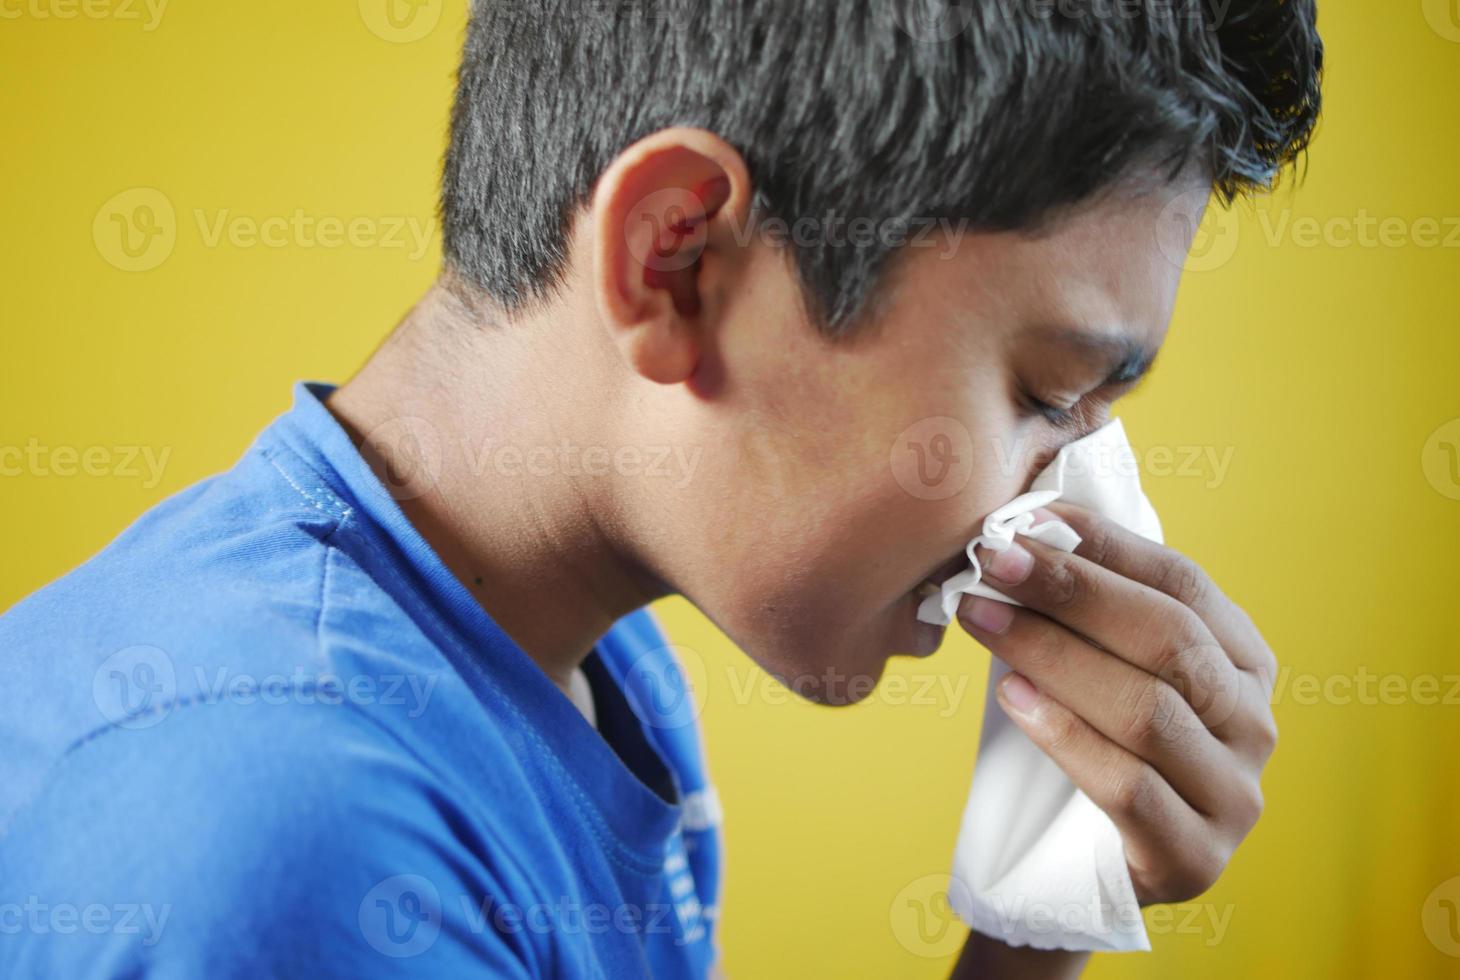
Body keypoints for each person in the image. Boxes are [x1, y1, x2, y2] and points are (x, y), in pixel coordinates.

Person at [0, 1, 1321, 976]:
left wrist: (1038, 900)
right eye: (1044, 393)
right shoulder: (296, 843)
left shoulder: (586, 663)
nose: (1074, 494)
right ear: (678, 257)